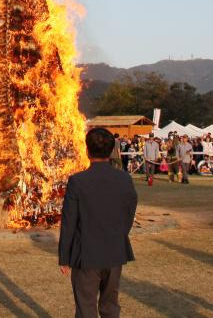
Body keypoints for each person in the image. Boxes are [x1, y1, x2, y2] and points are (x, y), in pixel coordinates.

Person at [58, 127, 138, 318]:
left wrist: (64, 257)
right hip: (114, 251)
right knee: (110, 306)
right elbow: (129, 212)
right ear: (111, 151)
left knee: (86, 308)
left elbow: (69, 221)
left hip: (86, 254)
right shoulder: (124, 179)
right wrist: (118, 235)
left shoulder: (78, 181)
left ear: (87, 150)